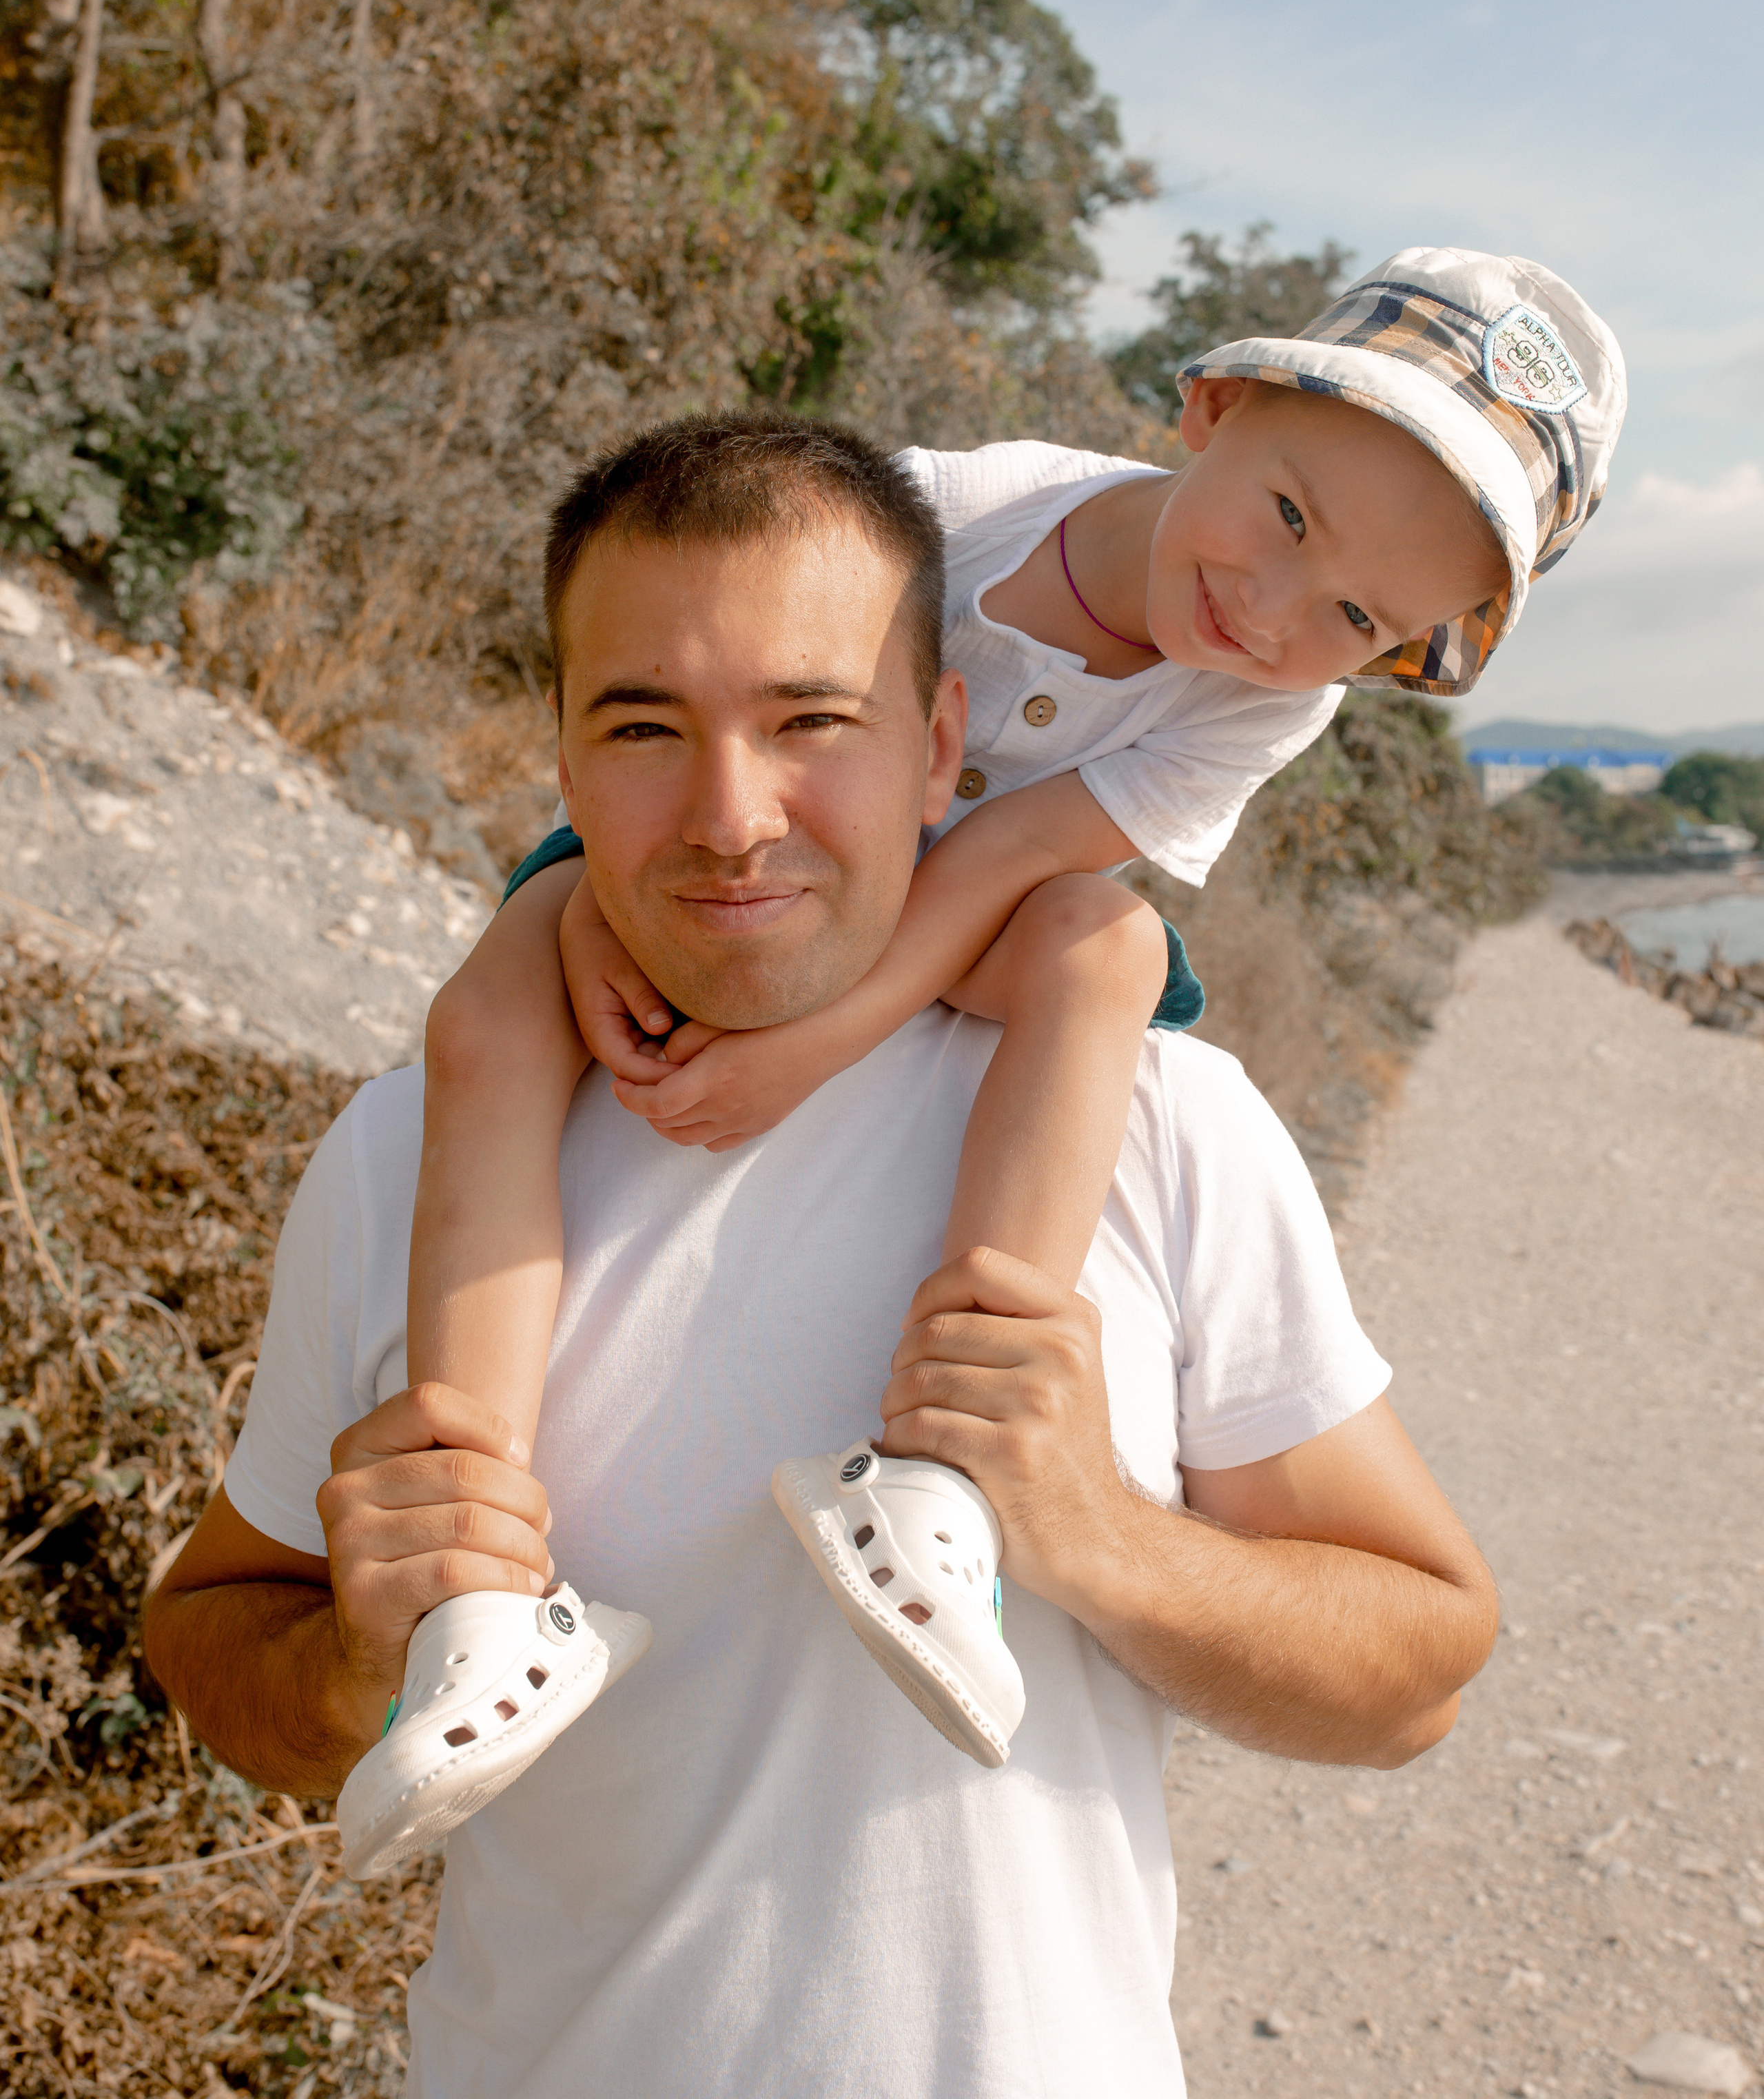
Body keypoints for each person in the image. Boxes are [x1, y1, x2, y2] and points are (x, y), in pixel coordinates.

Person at [150, 409, 1501, 2096]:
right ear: (560, 763)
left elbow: (1415, 1679)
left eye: (813, 720)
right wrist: (361, 1656)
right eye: (645, 725)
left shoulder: (1160, 1126)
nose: (732, 816)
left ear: (938, 741)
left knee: (1098, 940)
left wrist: (1094, 1536)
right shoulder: (406, 1154)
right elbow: (213, 1637)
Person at [333, 248, 1622, 1865]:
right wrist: (615, 919)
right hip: (749, 849)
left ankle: (941, 1483)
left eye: (1358, 616)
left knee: (1108, 946)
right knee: (490, 1016)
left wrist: (803, 1052)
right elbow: (741, 696)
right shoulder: (971, 508)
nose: (1274, 611)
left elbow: (1009, 854)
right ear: (1210, 405)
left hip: (942, 899)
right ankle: (475, 1587)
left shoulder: (1267, 706)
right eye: (1288, 516)